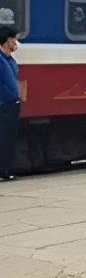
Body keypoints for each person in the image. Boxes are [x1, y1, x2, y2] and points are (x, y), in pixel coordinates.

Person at [0, 27, 20, 181]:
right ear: (6, 40)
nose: (15, 42)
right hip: (3, 104)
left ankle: (6, 170)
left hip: (12, 104)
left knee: (9, 139)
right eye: (13, 39)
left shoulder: (10, 61)